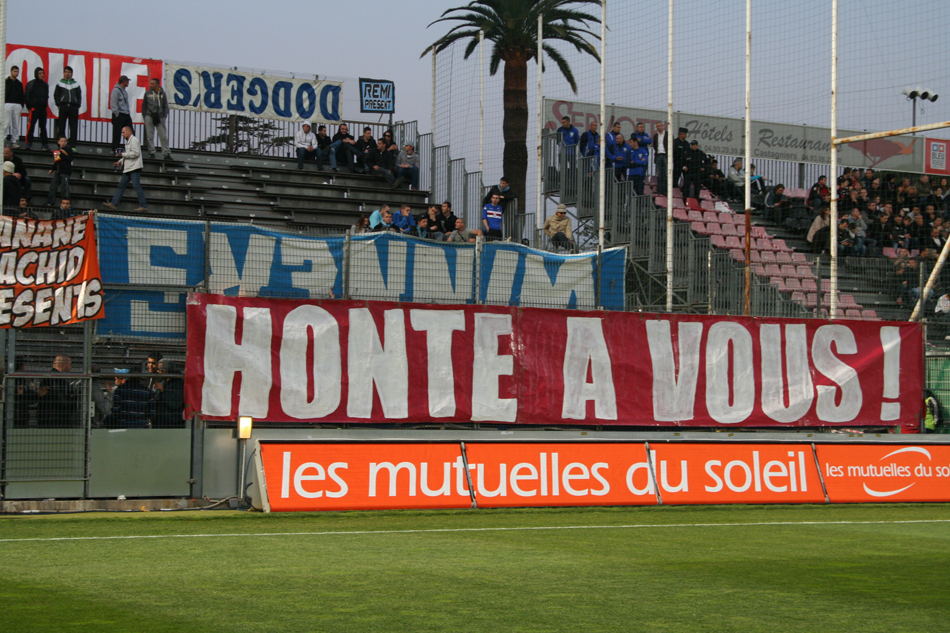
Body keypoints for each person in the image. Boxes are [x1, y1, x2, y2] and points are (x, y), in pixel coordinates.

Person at [103, 126, 147, 212]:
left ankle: (143, 205)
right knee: (122, 186)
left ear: (128, 132)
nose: (122, 134)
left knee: (136, 186)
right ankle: (114, 204)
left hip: (134, 167)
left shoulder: (134, 140)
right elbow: (128, 154)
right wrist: (120, 161)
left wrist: (122, 155)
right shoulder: (129, 141)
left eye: (123, 132)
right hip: (129, 168)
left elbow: (135, 153)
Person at [36, 355, 81, 428]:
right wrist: (74, 400)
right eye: (69, 364)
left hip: (49, 418)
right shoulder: (56, 379)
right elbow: (60, 400)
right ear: (64, 365)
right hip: (56, 419)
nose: (71, 367)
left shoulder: (51, 377)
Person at [142, 78, 172, 160]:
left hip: (160, 117)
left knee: (163, 136)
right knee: (149, 136)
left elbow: (165, 105)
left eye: (152, 84)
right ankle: (151, 153)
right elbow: (144, 105)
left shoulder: (162, 93)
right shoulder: (147, 93)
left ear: (157, 84)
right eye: (150, 83)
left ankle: (166, 153)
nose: (150, 85)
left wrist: (164, 116)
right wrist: (145, 116)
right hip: (149, 116)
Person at [53, 66, 81, 147]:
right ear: (63, 73)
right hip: (63, 106)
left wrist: (78, 105)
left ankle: (72, 145)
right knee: (61, 126)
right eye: (65, 72)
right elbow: (56, 95)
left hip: (73, 107)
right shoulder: (59, 83)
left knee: (73, 127)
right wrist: (58, 104)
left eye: (69, 72)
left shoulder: (76, 84)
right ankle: (61, 144)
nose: (67, 73)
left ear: (71, 74)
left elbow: (79, 95)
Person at [152, 358, 185, 428]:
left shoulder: (178, 383)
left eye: (159, 370)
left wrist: (162, 390)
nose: (158, 372)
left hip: (172, 422)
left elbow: (176, 403)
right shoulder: (163, 381)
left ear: (165, 371)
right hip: (160, 420)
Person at [25, 67, 50, 150]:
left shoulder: (45, 85)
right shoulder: (31, 83)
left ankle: (45, 144)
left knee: (43, 127)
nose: (41, 75)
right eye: (39, 73)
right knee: (31, 126)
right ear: (36, 74)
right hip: (34, 108)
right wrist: (30, 106)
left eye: (42, 73)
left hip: (42, 109)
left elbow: (46, 96)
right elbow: (27, 95)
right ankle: (29, 143)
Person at [46, 136, 73, 207]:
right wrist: (52, 169)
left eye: (64, 141)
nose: (63, 143)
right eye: (61, 141)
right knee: (52, 187)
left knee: (64, 188)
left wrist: (61, 154)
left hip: (65, 172)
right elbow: (56, 161)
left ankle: (66, 204)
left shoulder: (68, 149)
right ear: (58, 142)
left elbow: (70, 158)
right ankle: (51, 202)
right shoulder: (57, 150)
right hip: (58, 172)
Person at [110, 75, 132, 154]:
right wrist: (116, 114)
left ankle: (131, 147)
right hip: (119, 114)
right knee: (117, 132)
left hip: (125, 114)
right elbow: (113, 103)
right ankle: (115, 148)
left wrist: (127, 112)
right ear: (124, 81)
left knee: (130, 131)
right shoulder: (116, 90)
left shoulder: (124, 91)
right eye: (127, 81)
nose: (128, 83)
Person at [5, 65, 24, 147]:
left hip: (17, 104)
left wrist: (21, 104)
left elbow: (21, 94)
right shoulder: (6, 82)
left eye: (17, 72)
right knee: (6, 122)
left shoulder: (19, 83)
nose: (16, 73)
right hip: (8, 103)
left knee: (16, 124)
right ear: (11, 72)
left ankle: (14, 140)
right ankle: (3, 139)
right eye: (15, 71)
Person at [652, 122, 669, 192]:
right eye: (657, 126)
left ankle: (666, 190)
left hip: (665, 155)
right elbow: (655, 145)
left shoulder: (668, 134)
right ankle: (660, 189)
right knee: (659, 173)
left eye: (659, 126)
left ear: (662, 126)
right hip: (658, 154)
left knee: (666, 173)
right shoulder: (656, 136)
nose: (658, 128)